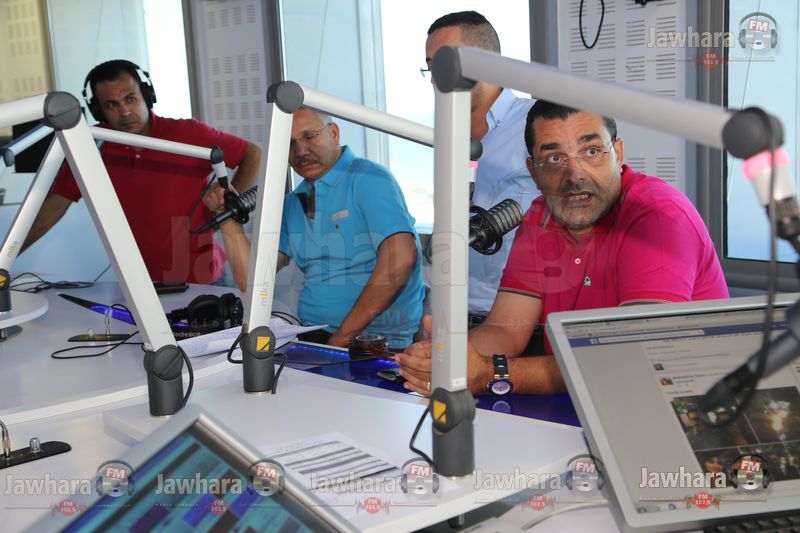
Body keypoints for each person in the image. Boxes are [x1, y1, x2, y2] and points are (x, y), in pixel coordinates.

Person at [397, 100, 729, 395]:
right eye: (554, 158)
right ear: (533, 170)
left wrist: (488, 372)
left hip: (682, 408)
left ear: (619, 154)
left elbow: (632, 354)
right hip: (591, 400)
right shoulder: (540, 215)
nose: (574, 175)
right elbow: (506, 329)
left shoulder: (656, 216)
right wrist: (446, 358)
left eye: (591, 151)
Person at [21, 59, 260, 291]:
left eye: (130, 99)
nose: (125, 112)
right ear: (98, 110)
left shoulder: (188, 133)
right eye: (111, 105)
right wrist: (8, 254)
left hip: (200, 278)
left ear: (146, 95)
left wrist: (227, 206)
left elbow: (252, 154)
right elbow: (55, 205)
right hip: (137, 286)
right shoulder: (93, 145)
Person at [278, 108, 425, 349]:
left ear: (334, 133)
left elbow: (400, 258)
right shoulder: (293, 201)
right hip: (312, 337)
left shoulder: (369, 178)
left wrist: (342, 338)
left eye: (310, 136)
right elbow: (251, 275)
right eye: (290, 143)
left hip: (372, 343)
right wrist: (227, 217)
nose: (301, 151)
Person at [425, 11, 538, 325]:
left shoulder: (535, 124)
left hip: (518, 319)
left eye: (446, 63)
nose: (436, 79)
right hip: (455, 314)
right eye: (431, 67)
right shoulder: (446, 135)